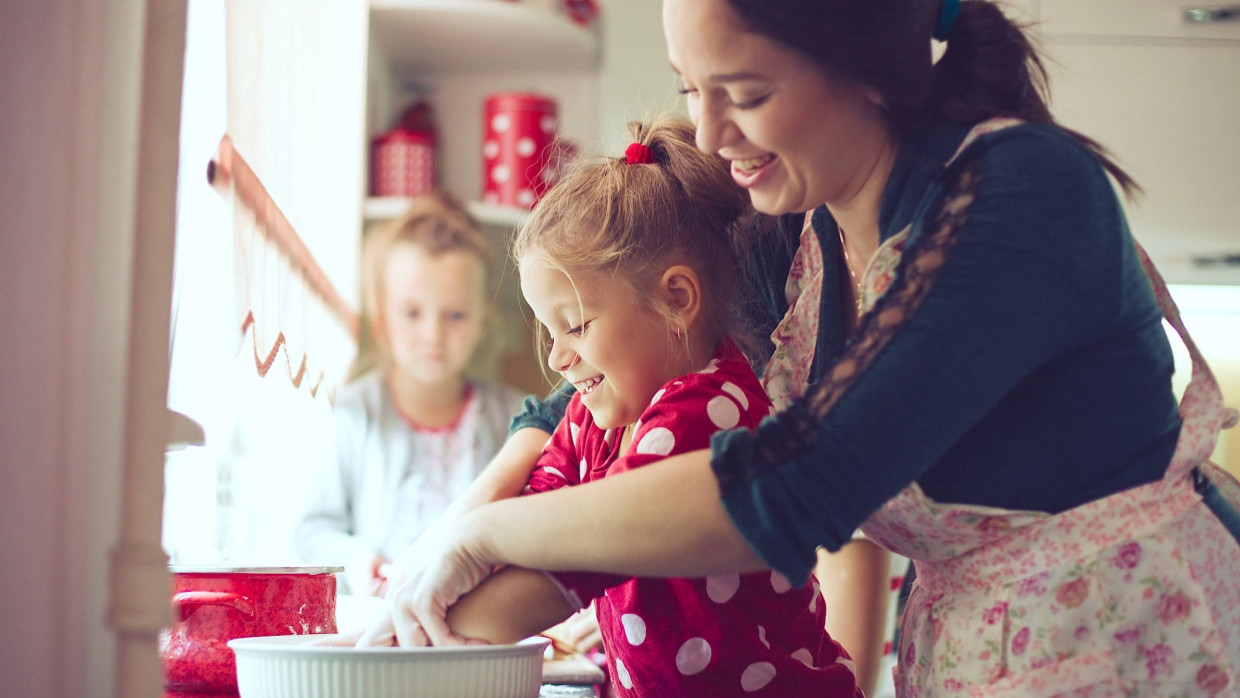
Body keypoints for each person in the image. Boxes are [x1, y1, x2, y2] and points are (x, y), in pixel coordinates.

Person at [371, 0, 1240, 694]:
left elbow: (793, 485)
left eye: (744, 95)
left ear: (865, 69)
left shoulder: (1018, 196)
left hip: (1138, 643)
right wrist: (459, 531)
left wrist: (487, 533)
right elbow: (576, 401)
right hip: (986, 652)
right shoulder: (797, 233)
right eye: (690, 90)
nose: (709, 134)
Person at [436, 116, 861, 697]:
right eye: (548, 332)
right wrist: (449, 561)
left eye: (576, 327)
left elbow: (569, 561)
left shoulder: (709, 411)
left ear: (676, 300)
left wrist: (427, 619)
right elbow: (540, 503)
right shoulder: (597, 412)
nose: (559, 358)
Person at [294, 192, 524, 596]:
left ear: (482, 322)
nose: (432, 335)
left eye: (455, 315)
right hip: (378, 624)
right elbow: (313, 528)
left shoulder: (516, 419)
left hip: (479, 627)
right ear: (382, 319)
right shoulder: (354, 413)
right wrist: (362, 564)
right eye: (412, 313)